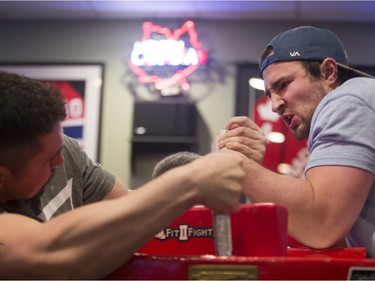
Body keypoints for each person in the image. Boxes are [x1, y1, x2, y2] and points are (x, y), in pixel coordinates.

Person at [0, 71, 266, 279]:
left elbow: (129, 205)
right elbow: (45, 254)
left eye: (59, 147)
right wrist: (191, 180)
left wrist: (230, 162)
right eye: (47, 160)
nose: (60, 159)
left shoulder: (65, 151)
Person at [222, 26, 374, 256]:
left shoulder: (348, 100)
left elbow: (321, 224)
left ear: (329, 72)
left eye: (283, 85)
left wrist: (236, 165)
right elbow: (334, 239)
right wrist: (254, 171)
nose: (275, 105)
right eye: (269, 94)